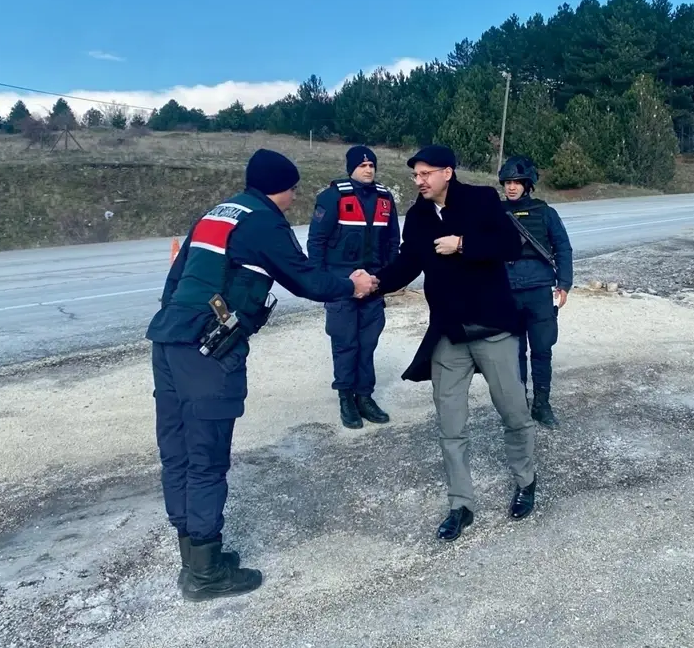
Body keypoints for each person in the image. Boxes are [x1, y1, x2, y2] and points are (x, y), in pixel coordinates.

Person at [147, 148, 378, 602]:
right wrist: (352, 285)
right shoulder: (264, 220)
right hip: (207, 350)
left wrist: (180, 323)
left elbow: (174, 280)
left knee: (177, 454)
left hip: (169, 339)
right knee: (206, 459)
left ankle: (193, 558)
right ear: (282, 187)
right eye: (292, 189)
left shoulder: (216, 213)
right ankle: (208, 575)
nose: (294, 197)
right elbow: (305, 278)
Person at [373, 144, 538, 542]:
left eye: (425, 173)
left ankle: (526, 480)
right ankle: (460, 504)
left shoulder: (481, 199)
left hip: (493, 329)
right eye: (415, 175)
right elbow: (406, 263)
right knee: (450, 426)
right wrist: (373, 283)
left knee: (514, 413)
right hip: (449, 335)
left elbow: (510, 246)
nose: (419, 181)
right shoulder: (416, 216)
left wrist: (462, 244)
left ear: (447, 172)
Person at [307, 145, 400, 429]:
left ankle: (365, 396)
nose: (368, 169)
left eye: (372, 165)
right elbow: (316, 243)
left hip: (373, 286)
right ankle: (346, 398)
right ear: (351, 168)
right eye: (362, 166)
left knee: (367, 343)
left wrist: (383, 280)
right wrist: (323, 283)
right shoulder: (331, 197)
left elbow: (393, 242)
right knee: (345, 343)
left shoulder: (385, 199)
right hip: (340, 286)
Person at [497, 155, 574, 429]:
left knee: (542, 350)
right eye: (507, 182)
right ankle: (519, 406)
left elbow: (563, 248)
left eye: (517, 182)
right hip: (507, 292)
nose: (511, 187)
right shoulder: (495, 212)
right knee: (513, 354)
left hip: (540, 292)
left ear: (528, 184)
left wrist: (564, 284)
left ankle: (542, 405)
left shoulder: (545, 213)